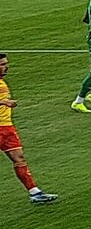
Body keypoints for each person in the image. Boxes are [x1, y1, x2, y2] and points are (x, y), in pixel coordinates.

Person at [0, 54, 58, 203]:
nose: (6, 67)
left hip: (7, 127)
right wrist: (4, 102)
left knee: (19, 159)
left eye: (6, 63)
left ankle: (34, 193)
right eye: (2, 64)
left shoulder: (2, 82)